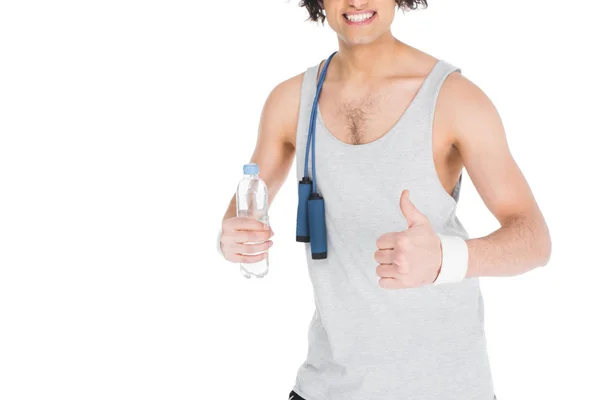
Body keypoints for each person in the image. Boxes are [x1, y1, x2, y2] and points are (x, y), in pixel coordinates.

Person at [218, 1, 552, 399]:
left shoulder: (454, 99)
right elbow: (241, 213)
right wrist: (231, 241)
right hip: (326, 387)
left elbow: (534, 240)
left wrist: (446, 259)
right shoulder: (290, 101)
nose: (356, 1)